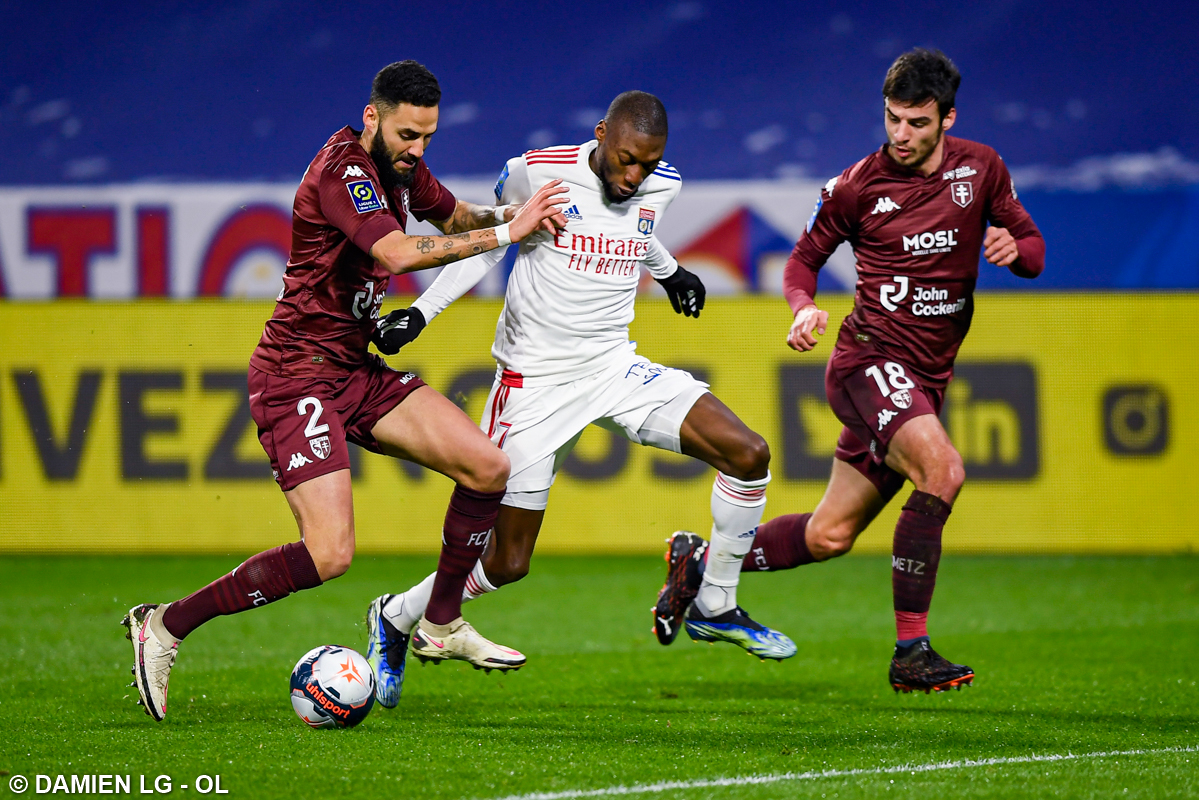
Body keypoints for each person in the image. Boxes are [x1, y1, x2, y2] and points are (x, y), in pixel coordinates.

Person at [121, 60, 568, 721]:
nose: (417, 150)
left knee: (486, 467)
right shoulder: (344, 172)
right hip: (294, 373)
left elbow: (455, 218)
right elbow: (396, 255)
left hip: (353, 371)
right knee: (330, 554)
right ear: (373, 118)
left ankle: (439, 622)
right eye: (408, 134)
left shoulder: (402, 168)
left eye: (427, 137)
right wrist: (508, 231)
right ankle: (163, 626)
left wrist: (518, 215)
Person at [363, 90, 797, 708]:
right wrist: (421, 313)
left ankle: (715, 602)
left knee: (749, 454)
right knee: (508, 562)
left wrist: (669, 270)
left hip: (614, 366)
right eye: (625, 160)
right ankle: (398, 615)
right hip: (533, 384)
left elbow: (635, 226)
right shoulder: (538, 170)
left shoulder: (660, 183)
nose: (634, 176)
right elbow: (493, 237)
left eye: (647, 164)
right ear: (600, 135)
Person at [653, 49, 1045, 693]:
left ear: (948, 118)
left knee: (829, 535)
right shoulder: (856, 186)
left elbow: (1031, 247)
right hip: (868, 362)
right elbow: (802, 260)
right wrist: (803, 306)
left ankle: (700, 563)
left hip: (925, 381)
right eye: (892, 119)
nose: (901, 134)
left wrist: (1015, 250)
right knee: (943, 470)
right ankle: (911, 652)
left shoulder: (983, 168)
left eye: (918, 122)